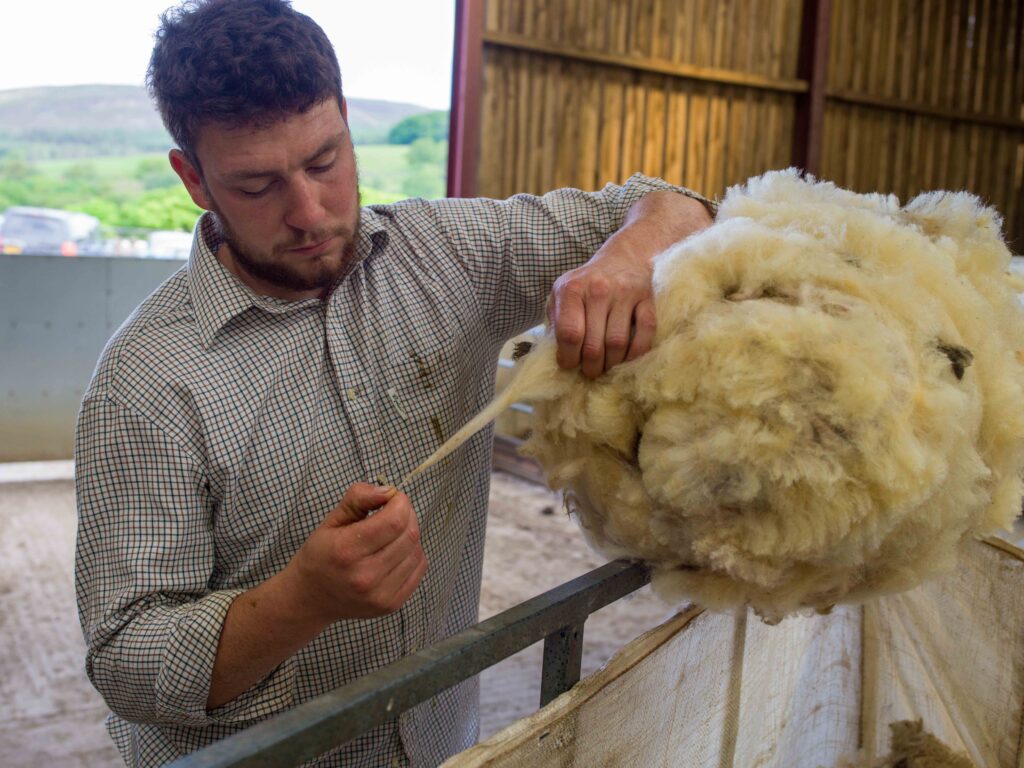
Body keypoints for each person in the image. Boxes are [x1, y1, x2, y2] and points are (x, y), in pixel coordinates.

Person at [73, 1, 714, 765]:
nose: (309, 212)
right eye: (256, 186)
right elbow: (126, 660)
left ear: (344, 119)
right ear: (193, 177)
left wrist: (627, 255)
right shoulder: (146, 384)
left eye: (324, 161)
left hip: (445, 741)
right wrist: (299, 602)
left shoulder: (447, 251)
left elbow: (674, 205)